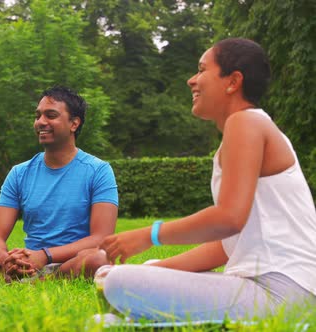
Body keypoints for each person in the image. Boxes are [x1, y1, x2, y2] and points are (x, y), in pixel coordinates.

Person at [96, 38, 316, 322]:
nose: (191, 80)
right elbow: (227, 244)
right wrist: (160, 267)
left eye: (201, 70)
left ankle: (141, 321)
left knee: (119, 282)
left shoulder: (245, 122)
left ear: (233, 81)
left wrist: (148, 235)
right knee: (138, 273)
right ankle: (140, 322)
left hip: (283, 293)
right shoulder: (247, 128)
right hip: (280, 291)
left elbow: (228, 218)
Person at [0, 86, 119, 281]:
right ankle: (25, 281)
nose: (41, 122)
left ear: (74, 124)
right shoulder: (20, 173)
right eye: (38, 116)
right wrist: (8, 261)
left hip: (69, 262)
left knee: (99, 259)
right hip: (29, 265)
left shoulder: (98, 171)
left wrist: (45, 256)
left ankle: (32, 284)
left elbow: (101, 238)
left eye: (51, 115)